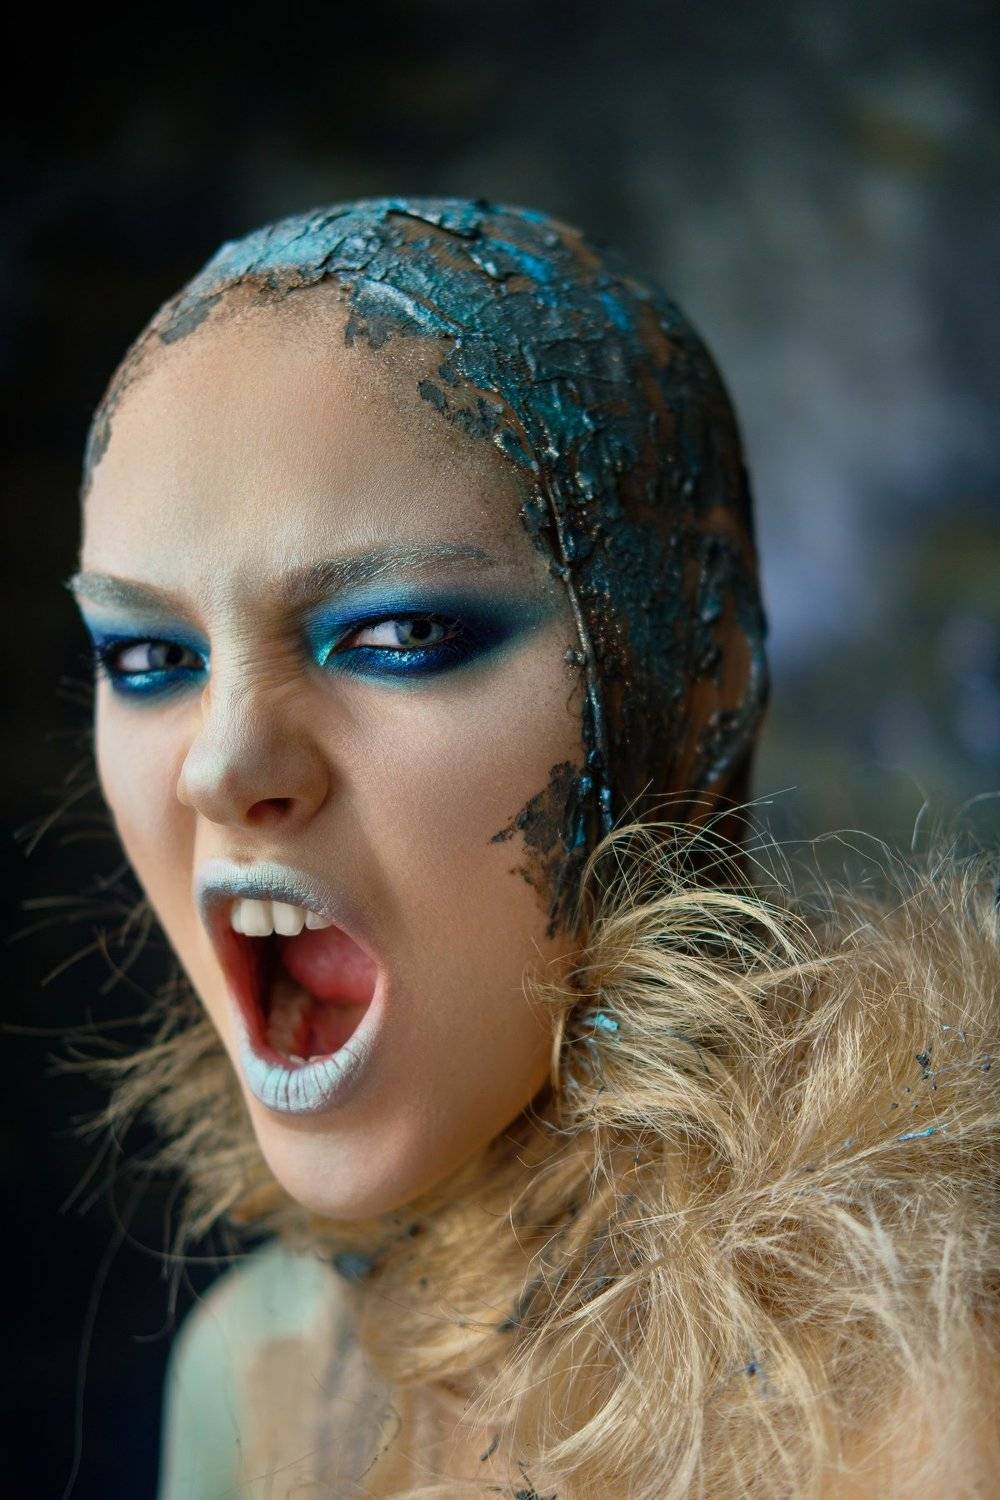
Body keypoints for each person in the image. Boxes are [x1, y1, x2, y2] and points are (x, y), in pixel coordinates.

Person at [67, 197, 999, 1498]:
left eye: (399, 634)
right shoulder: (254, 1372)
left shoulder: (933, 1371)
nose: (219, 765)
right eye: (145, 656)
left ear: (704, 674)